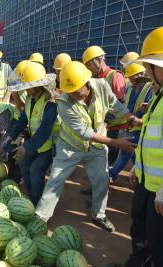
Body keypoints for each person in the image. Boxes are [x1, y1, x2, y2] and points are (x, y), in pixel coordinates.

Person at [35, 61, 142, 232]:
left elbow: (115, 104)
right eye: (70, 91)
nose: (74, 94)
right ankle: (41, 217)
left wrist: (130, 118)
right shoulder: (63, 102)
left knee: (101, 180)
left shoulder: (101, 86)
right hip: (70, 147)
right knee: (55, 180)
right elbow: (84, 133)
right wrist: (116, 143)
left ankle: (98, 215)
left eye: (77, 90)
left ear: (87, 82)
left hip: (96, 148)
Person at [124, 26, 163, 267]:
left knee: (158, 245)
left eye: (149, 66)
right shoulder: (159, 96)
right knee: (140, 233)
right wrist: (136, 168)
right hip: (147, 183)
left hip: (160, 192)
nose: (146, 72)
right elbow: (150, 140)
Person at [3, 62, 58, 205]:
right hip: (35, 144)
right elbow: (23, 119)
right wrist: (10, 137)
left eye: (28, 86)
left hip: (49, 146)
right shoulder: (30, 99)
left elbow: (45, 131)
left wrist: (25, 148)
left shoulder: (50, 103)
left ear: (35, 86)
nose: (25, 90)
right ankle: (32, 194)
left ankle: (36, 202)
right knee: (23, 164)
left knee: (35, 171)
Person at [83, 45, 127, 167]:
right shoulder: (95, 78)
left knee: (107, 161)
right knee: (99, 159)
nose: (89, 69)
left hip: (114, 127)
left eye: (89, 65)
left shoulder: (115, 76)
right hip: (102, 126)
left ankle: (104, 184)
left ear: (99, 59)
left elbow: (119, 103)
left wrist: (102, 119)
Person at [109, 62, 153, 181]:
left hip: (139, 126)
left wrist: (137, 114)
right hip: (128, 124)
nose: (132, 80)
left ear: (140, 74)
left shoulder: (149, 87)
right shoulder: (129, 87)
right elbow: (126, 104)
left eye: (133, 76)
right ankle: (139, 175)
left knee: (125, 151)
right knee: (133, 154)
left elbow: (148, 109)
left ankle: (111, 174)